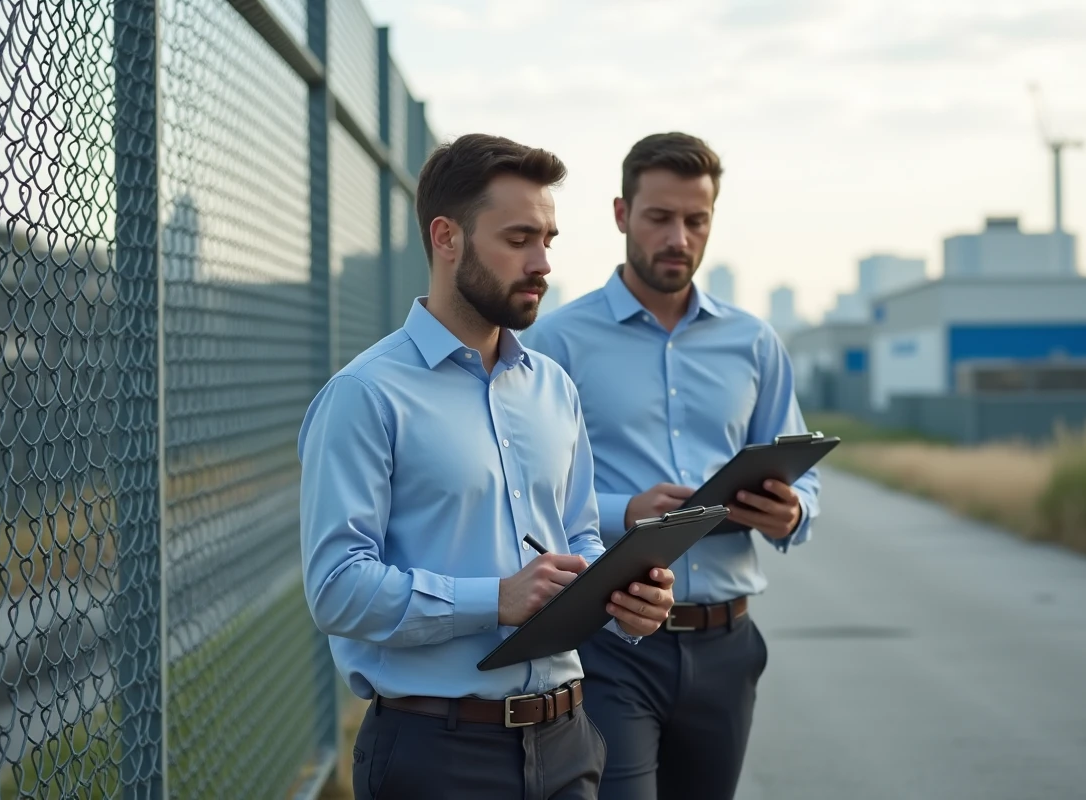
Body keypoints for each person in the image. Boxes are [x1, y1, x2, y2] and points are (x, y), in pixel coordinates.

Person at [297, 133, 677, 800]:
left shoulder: (554, 389)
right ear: (447, 239)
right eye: (519, 239)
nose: (542, 263)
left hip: (569, 742)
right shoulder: (365, 396)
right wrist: (494, 599)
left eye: (549, 240)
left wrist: (622, 602)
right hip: (438, 757)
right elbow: (335, 587)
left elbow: (578, 539)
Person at [521, 131, 821, 800]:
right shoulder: (557, 343)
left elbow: (807, 476)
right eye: (659, 218)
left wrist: (793, 510)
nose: (679, 237)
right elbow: (524, 493)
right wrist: (624, 511)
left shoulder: (754, 342)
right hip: (612, 642)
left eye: (696, 220)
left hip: (727, 643)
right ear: (622, 214)